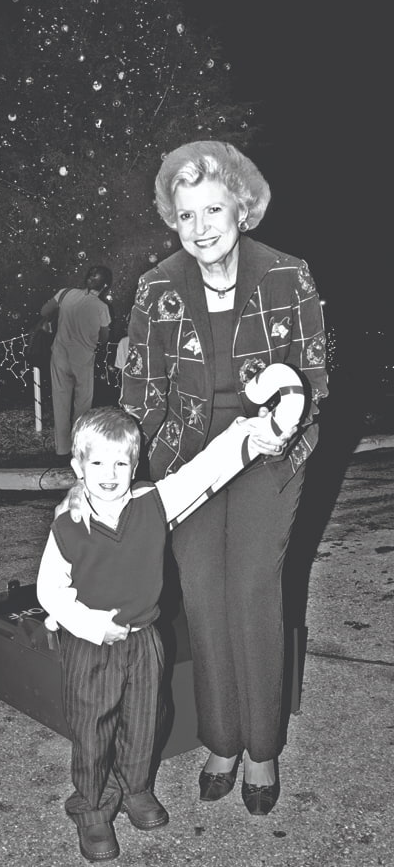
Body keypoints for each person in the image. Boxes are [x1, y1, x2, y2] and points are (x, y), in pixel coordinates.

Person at [117, 140, 329, 815]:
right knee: (204, 594)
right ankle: (222, 739)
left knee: (253, 587)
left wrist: (283, 424)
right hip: (186, 458)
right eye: (186, 215)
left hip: (269, 447)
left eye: (214, 208)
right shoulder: (154, 289)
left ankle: (262, 746)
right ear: (172, 221)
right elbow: (141, 394)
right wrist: (118, 467)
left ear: (243, 208)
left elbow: (316, 379)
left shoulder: (289, 275)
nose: (202, 226)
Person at [37, 403, 291, 862]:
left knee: (145, 720)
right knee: (93, 729)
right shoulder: (66, 526)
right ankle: (92, 806)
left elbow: (201, 473)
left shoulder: (153, 504)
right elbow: (49, 591)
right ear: (78, 467)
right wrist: (93, 626)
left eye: (121, 463)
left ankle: (136, 789)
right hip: (90, 646)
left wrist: (242, 436)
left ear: (135, 465)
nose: (109, 474)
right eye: (97, 463)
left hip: (144, 638)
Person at [41, 265, 112, 463]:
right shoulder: (102, 308)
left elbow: (44, 310)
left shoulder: (65, 294)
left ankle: (62, 451)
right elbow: (104, 338)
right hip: (83, 360)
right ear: (105, 286)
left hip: (60, 356)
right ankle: (78, 450)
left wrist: (51, 320)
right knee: (83, 405)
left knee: (60, 402)